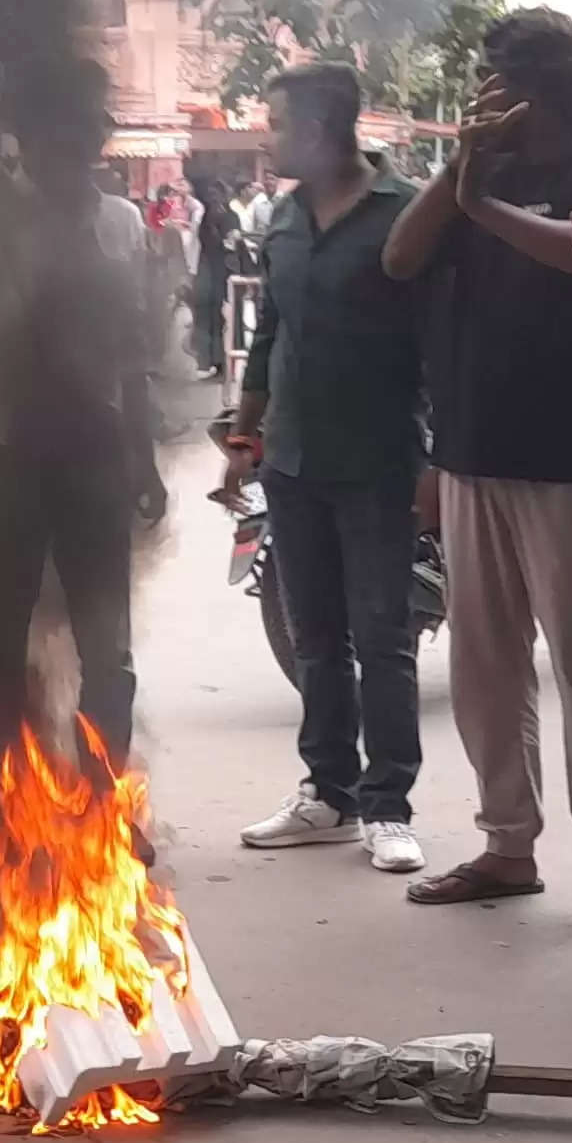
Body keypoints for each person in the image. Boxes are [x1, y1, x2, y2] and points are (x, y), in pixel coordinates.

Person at [377, 8, 572, 938]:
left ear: (540, 85)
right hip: (470, 454)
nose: (481, 94)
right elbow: (400, 255)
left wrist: (484, 208)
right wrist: (463, 167)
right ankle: (508, 846)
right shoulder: (478, 171)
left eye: (495, 78)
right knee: (485, 667)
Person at [223, 63, 428, 875]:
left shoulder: (402, 215)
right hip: (295, 460)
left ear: (317, 130)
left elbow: (433, 346)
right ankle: (329, 793)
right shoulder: (282, 217)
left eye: (274, 125)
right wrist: (245, 439)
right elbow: (269, 336)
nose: (266, 140)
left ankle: (388, 806)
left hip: (378, 460)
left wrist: (436, 463)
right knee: (314, 636)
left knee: (383, 636)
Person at [0, 53, 166, 793]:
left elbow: (132, 352)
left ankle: (105, 799)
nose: (72, 161)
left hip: (93, 455)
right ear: (29, 146)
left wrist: (145, 459)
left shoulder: (121, 223)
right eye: (55, 145)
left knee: (107, 650)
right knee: (0, 644)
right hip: (6, 453)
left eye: (84, 144)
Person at [186, 166, 241, 378]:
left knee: (222, 319)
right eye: (210, 194)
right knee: (205, 316)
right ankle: (208, 360)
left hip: (223, 272)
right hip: (206, 270)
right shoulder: (206, 216)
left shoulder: (230, 216)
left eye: (216, 193)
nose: (213, 197)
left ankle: (220, 362)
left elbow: (232, 244)